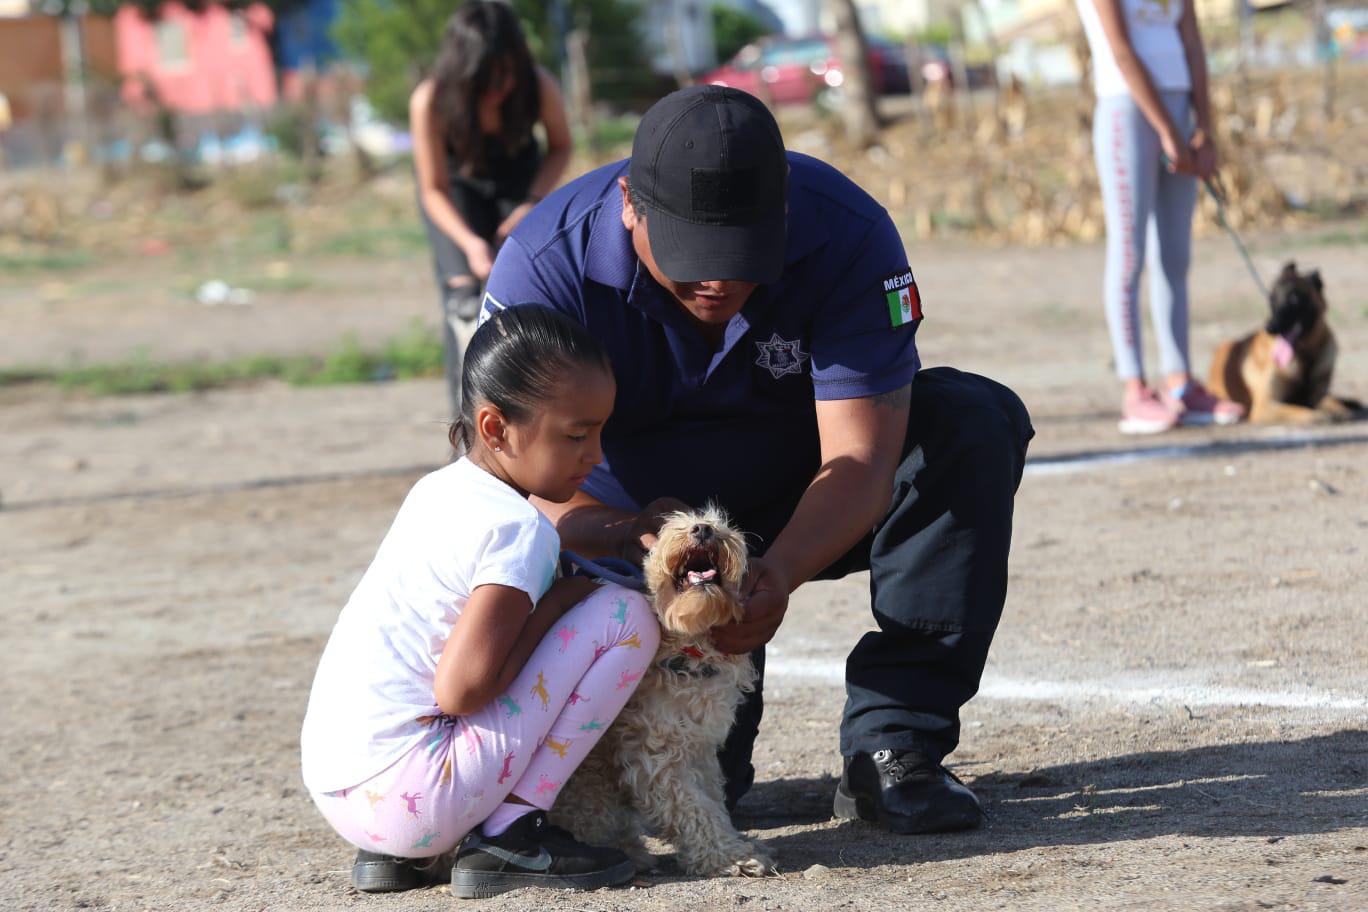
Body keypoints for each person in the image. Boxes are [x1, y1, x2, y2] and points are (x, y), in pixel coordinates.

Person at [480, 85, 1034, 835]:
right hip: (634, 533)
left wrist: (777, 574)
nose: (717, 282)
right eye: (692, 260)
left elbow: (862, 457)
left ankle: (896, 745)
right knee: (702, 790)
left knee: (970, 420)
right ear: (629, 206)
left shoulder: (846, 233)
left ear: (782, 214)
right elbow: (512, 479)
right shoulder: (545, 268)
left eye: (741, 259)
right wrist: (619, 534)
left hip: (802, 494)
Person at [300, 306, 660, 898]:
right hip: (414, 799)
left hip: (343, 793)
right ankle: (510, 833)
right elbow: (461, 691)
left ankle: (406, 857)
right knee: (625, 617)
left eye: (600, 432)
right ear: (495, 428)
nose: (595, 455)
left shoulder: (436, 490)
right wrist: (564, 599)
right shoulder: (519, 529)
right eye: (576, 435)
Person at [1077, 0, 1245, 433]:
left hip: (1181, 108)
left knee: (1175, 254)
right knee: (1130, 253)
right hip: (1127, 108)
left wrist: (1204, 126)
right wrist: (1168, 130)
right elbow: (1121, 49)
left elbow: (1192, 40)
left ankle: (1181, 383)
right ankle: (1135, 389)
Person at [410, 1, 572, 414]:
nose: (499, 88)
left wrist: (529, 205)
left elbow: (561, 147)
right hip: (454, 193)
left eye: (507, 73)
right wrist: (470, 245)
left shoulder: (538, 85)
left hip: (521, 187)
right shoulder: (430, 100)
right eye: (487, 78)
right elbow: (432, 190)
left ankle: (528, 414)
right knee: (465, 304)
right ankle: (464, 426)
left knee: (523, 293)